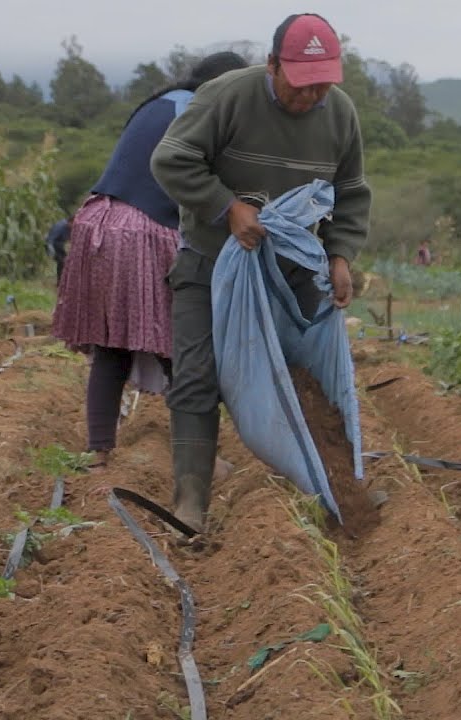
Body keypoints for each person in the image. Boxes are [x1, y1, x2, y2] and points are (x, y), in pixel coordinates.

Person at [151, 12, 371, 533]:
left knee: (307, 380)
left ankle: (336, 492)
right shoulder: (227, 96)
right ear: (272, 65)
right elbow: (171, 160)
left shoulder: (339, 114)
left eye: (322, 86)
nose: (311, 98)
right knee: (196, 377)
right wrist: (226, 207)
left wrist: (340, 255)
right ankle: (191, 502)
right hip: (211, 264)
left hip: (292, 270)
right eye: (300, 86)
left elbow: (353, 192)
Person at [51, 51, 249, 473]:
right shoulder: (199, 110)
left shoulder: (161, 102)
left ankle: (99, 452)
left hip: (97, 222)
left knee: (112, 345)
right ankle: (199, 458)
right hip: (143, 229)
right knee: (181, 346)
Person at [45, 216, 72, 284]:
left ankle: (63, 281)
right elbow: (50, 240)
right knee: (62, 262)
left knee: (64, 262)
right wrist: (51, 252)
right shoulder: (60, 226)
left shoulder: (68, 227)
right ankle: (60, 282)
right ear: (71, 222)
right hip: (53, 245)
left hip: (60, 245)